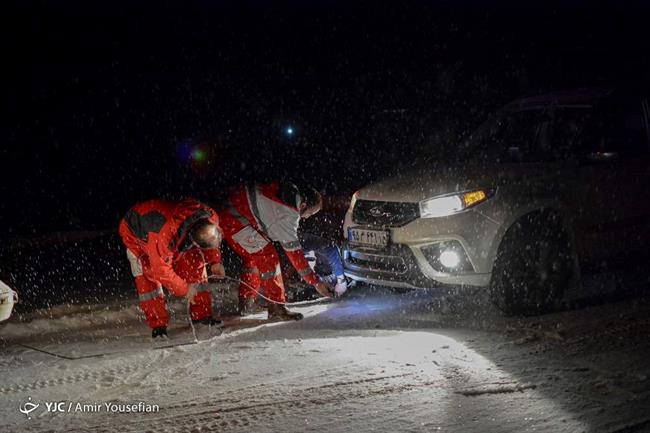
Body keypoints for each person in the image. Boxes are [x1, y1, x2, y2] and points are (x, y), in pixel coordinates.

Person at [219, 182, 333, 320]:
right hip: (234, 220)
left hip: (230, 212)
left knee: (254, 258)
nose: (307, 217)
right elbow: (295, 255)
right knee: (268, 257)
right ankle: (276, 307)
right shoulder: (287, 214)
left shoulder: (288, 191)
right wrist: (316, 282)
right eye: (310, 213)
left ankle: (247, 303)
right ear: (303, 206)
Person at [118, 198, 225, 339]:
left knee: (194, 263)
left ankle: (202, 316)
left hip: (169, 229)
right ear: (192, 239)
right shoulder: (164, 235)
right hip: (137, 236)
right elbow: (161, 270)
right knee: (148, 275)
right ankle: (158, 326)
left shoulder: (211, 216)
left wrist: (215, 261)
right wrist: (184, 289)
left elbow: (209, 238)